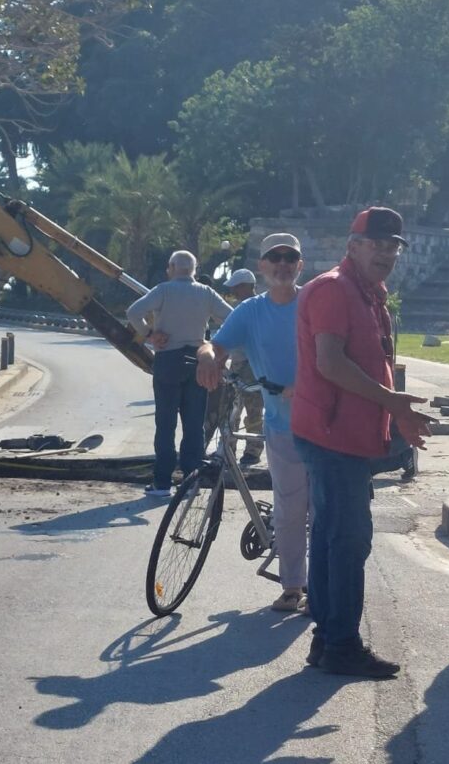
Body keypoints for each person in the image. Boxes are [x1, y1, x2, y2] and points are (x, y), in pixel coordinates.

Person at [292, 206, 432, 679]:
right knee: (348, 541)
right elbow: (330, 363)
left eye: (393, 246)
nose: (386, 253)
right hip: (333, 437)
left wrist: (395, 417)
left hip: (345, 437)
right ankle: (341, 645)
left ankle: (327, 638)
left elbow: (372, 365)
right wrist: (393, 403)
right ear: (352, 246)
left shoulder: (369, 294)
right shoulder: (334, 290)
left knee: (332, 537)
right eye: (377, 244)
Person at [198, 233, 310, 613]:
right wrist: (207, 356)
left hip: (326, 424)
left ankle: (323, 589)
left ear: (300, 265)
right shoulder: (250, 311)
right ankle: (292, 586)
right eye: (275, 258)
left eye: (290, 258)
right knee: (289, 510)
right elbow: (214, 343)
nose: (282, 264)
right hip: (281, 424)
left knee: (324, 512)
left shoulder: (314, 302)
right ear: (262, 266)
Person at [127, 250, 232, 497]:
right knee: (194, 424)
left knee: (165, 423)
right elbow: (232, 317)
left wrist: (150, 334)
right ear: (194, 269)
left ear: (171, 267)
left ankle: (162, 482)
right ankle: (191, 480)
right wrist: (215, 346)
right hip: (198, 360)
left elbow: (133, 312)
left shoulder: (163, 290)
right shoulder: (206, 293)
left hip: (168, 359)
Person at [223, 269, 264, 467]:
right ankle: (229, 448)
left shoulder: (257, 308)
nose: (234, 291)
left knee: (253, 410)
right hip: (239, 364)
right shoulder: (244, 308)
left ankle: (252, 451)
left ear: (247, 286)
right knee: (232, 410)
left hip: (251, 365)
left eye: (237, 287)